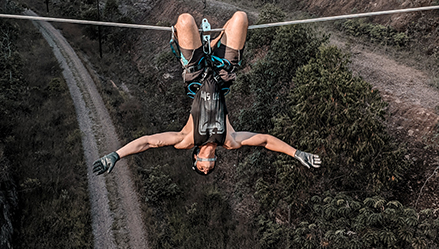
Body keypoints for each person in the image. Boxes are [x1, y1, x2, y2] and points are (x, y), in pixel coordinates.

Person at [93, 11, 321, 176]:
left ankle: (201, 47)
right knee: (241, 17)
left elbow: (147, 142)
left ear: (195, 156)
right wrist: (297, 153)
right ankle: (213, 43)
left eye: (202, 165)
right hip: (223, 72)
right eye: (209, 166)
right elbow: (265, 140)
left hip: (196, 73)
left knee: (184, 20)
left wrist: (115, 155)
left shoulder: (186, 139)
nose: (208, 163)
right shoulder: (229, 140)